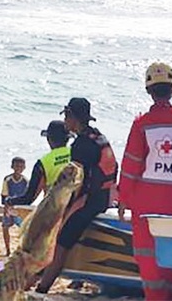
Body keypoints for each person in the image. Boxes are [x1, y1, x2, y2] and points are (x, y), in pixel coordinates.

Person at [118, 62, 172, 301]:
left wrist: (123, 198)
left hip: (144, 203)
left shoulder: (142, 124)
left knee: (148, 260)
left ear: (148, 91)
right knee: (169, 258)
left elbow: (131, 165)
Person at [35, 97, 117, 295]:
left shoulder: (80, 146)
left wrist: (62, 209)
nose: (65, 122)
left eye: (66, 116)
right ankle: (76, 280)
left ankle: (43, 288)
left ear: (73, 117)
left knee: (61, 242)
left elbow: (75, 182)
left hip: (89, 201)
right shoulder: (98, 136)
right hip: (106, 197)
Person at [4, 120, 73, 208]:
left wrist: (9, 201)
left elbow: (29, 198)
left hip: (55, 210)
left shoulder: (43, 163)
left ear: (48, 139)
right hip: (75, 208)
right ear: (67, 139)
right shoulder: (76, 153)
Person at [0, 156, 28, 256]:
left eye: (21, 166)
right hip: (9, 207)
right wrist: (6, 210)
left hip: (19, 209)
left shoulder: (25, 181)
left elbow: (27, 198)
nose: (18, 168)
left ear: (24, 167)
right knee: (5, 227)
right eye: (16, 166)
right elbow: (4, 196)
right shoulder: (8, 180)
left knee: (23, 229)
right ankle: (7, 249)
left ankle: (21, 248)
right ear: (12, 166)